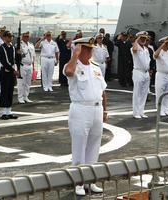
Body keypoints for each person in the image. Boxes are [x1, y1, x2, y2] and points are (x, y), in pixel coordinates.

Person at [64, 37, 107, 196]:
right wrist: (74, 55)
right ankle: (78, 182)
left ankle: (90, 181)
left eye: (91, 49)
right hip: (80, 109)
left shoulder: (96, 67)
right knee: (79, 147)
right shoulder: (72, 66)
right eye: (86, 48)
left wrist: (105, 110)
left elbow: (103, 90)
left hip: (97, 109)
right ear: (79, 49)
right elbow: (68, 72)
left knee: (94, 147)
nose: (90, 51)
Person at [0, 31, 18, 120]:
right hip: (5, 72)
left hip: (11, 72)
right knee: (4, 92)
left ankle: (9, 111)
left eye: (11, 37)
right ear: (5, 37)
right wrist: (13, 70)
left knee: (10, 91)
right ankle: (2, 113)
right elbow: (5, 62)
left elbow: (14, 60)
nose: (11, 38)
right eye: (9, 37)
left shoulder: (12, 47)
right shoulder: (1, 48)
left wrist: (15, 69)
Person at [154, 36, 168, 116]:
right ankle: (160, 110)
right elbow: (155, 55)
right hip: (161, 75)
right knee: (160, 94)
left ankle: (165, 109)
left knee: (167, 94)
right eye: (166, 43)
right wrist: (162, 46)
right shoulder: (159, 52)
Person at [131, 31, 150, 119]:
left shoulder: (146, 49)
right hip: (138, 71)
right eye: (141, 38)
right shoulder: (135, 47)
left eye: (144, 38)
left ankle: (141, 111)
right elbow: (134, 50)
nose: (143, 40)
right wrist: (136, 40)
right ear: (137, 38)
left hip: (146, 72)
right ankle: (136, 112)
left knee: (144, 93)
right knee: (137, 93)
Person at [17, 31, 36, 104]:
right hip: (23, 65)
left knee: (28, 82)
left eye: (27, 36)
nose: (26, 37)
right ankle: (20, 97)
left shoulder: (31, 44)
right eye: (25, 36)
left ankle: (26, 96)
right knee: (21, 82)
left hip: (30, 65)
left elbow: (33, 56)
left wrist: (33, 66)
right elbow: (17, 55)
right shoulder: (20, 44)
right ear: (22, 37)